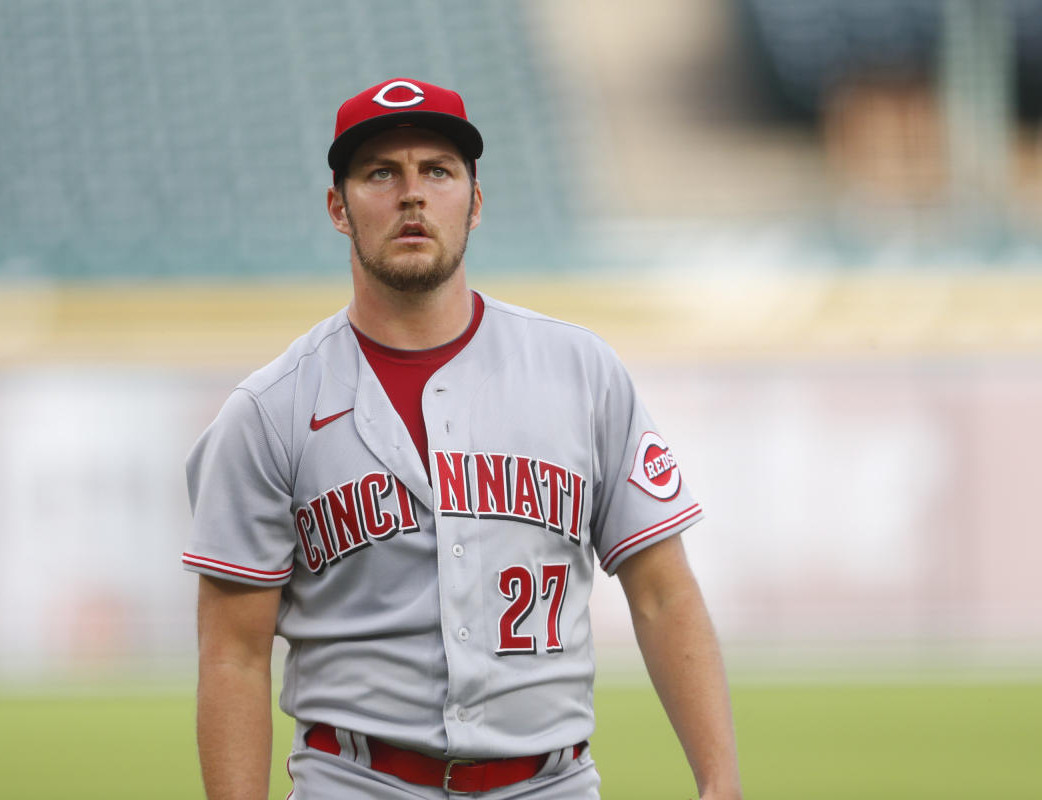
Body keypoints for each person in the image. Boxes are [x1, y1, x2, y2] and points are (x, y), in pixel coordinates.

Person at [183, 77, 742, 799]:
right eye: (381, 172)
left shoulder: (580, 371)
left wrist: (720, 784)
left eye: (437, 171)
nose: (411, 194)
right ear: (338, 207)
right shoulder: (269, 410)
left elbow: (665, 595)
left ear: (474, 202)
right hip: (357, 782)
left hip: (551, 783)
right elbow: (233, 653)